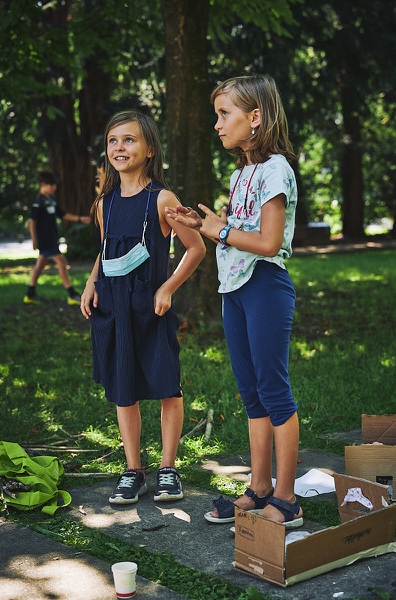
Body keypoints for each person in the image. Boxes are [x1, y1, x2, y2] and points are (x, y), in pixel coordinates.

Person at [165, 74, 303, 528]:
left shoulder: (276, 169)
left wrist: (220, 230)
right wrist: (205, 224)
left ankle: (287, 499)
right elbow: (238, 231)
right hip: (235, 290)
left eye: (225, 114)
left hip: (265, 285)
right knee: (251, 393)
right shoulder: (240, 173)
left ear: (256, 118)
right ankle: (259, 487)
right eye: (217, 115)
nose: (218, 124)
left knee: (274, 391)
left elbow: (268, 242)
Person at [80, 110, 205, 505]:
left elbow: (196, 248)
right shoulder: (104, 203)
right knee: (124, 390)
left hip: (152, 310)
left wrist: (168, 287)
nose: (119, 147)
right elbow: (105, 249)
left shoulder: (162, 199)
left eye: (129, 140)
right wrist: (91, 282)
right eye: (113, 140)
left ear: (150, 149)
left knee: (168, 386)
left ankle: (168, 469)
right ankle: (133, 470)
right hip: (114, 309)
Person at [24, 170, 91, 305]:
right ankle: (71, 294)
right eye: (52, 185)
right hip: (45, 239)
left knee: (40, 265)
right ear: (43, 184)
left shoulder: (50, 200)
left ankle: (30, 293)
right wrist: (34, 240)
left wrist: (80, 219)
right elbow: (32, 222)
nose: (54, 187)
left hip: (51, 237)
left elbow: (62, 215)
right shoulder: (38, 201)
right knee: (62, 263)